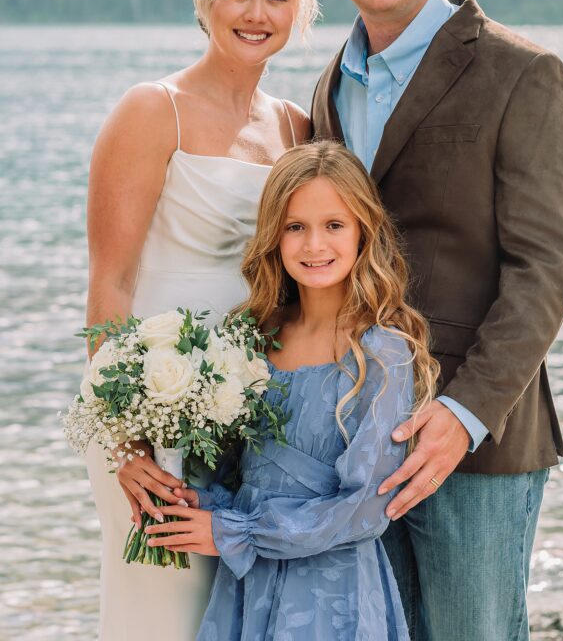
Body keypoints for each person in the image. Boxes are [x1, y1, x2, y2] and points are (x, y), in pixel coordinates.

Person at [311, 0, 563, 640]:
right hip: (353, 435)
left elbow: (546, 268)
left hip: (475, 438)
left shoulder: (521, 73)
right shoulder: (330, 83)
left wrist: (464, 412)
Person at [84, 0, 318, 641]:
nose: (256, 13)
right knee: (161, 608)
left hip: (251, 410)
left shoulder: (298, 129)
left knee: (242, 612)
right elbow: (110, 286)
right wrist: (126, 441)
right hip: (151, 403)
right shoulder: (152, 111)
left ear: (299, 11)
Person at [144, 141, 440, 641]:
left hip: (333, 594)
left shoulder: (383, 354)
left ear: (364, 231)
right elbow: (239, 474)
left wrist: (237, 534)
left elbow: (367, 508)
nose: (313, 245)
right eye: (294, 227)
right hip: (248, 584)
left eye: (334, 225)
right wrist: (194, 501)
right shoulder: (253, 342)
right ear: (274, 237)